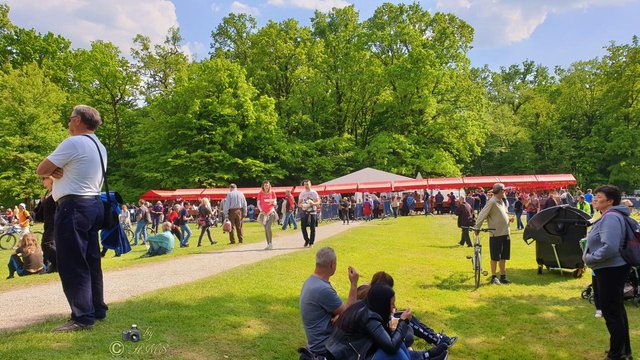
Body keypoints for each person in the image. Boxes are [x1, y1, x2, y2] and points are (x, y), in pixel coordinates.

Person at [36, 104, 107, 331]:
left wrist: (53, 170)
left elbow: (42, 169)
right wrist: (55, 170)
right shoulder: (99, 146)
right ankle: (96, 310)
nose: (68, 123)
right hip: (93, 204)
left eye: (70, 119)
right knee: (91, 260)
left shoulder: (74, 142)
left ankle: (81, 317)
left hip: (73, 206)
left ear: (78, 120)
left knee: (73, 263)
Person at [583, 185, 631, 360]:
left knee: (611, 312)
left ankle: (616, 354)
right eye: (595, 195)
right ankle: (623, 350)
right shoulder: (609, 216)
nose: (595, 198)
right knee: (616, 310)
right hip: (611, 268)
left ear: (610, 201)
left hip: (610, 269)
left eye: (599, 196)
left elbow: (610, 247)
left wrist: (591, 258)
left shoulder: (611, 217)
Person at [359, 272, 457, 351]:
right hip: (376, 338)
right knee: (408, 324)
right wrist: (399, 319)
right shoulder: (368, 299)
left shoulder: (368, 289)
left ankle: (435, 338)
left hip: (380, 330)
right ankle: (435, 340)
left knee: (408, 318)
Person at [299, 247, 359, 358]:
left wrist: (339, 314)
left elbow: (340, 312)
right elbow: (350, 313)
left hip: (315, 344)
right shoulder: (322, 289)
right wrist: (354, 284)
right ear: (332, 264)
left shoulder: (310, 282)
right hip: (325, 348)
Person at [474, 183, 511, 285]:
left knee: (504, 256)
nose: (505, 192)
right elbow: (482, 214)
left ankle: (503, 276)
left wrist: (508, 219)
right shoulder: (492, 202)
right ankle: (494, 277)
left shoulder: (501, 202)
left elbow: (503, 215)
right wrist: (477, 227)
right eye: (504, 190)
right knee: (495, 257)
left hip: (505, 233)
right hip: (496, 234)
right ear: (500, 191)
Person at [36, 176, 57, 273]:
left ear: (51, 179)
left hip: (55, 223)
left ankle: (62, 262)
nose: (42, 181)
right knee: (48, 244)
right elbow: (38, 215)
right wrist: (42, 202)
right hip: (48, 224)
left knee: (47, 244)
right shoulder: (48, 194)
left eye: (44, 178)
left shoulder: (56, 193)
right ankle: (55, 265)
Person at [298, 180, 320, 248]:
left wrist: (313, 204)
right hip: (305, 212)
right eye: (305, 184)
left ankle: (311, 242)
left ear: (310, 184)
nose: (306, 186)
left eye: (307, 184)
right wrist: (303, 205)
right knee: (303, 227)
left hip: (313, 212)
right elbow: (299, 203)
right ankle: (307, 240)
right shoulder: (302, 193)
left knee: (312, 228)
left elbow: (318, 202)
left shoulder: (314, 192)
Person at [257, 180, 278, 250]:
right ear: (263, 186)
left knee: (268, 227)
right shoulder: (260, 193)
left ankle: (271, 243)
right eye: (265, 185)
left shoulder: (272, 192)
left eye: (267, 185)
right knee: (265, 229)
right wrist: (261, 210)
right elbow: (258, 203)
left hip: (271, 212)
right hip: (263, 213)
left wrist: (273, 201)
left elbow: (275, 203)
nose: (266, 187)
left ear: (269, 186)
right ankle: (268, 243)